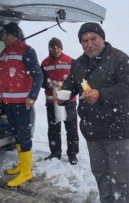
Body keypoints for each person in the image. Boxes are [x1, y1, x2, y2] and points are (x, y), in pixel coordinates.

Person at [58, 22, 129, 203]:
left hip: (118, 130)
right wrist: (62, 94)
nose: (89, 43)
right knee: (101, 175)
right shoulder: (78, 64)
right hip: (92, 130)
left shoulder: (119, 59)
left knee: (121, 180)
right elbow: (71, 86)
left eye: (93, 38)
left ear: (102, 39)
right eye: (84, 40)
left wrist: (100, 94)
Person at [0, 22, 43, 187]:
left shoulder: (27, 51)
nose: (2, 38)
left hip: (22, 102)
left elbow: (38, 76)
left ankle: (27, 172)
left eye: (4, 35)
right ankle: (22, 166)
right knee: (16, 133)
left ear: (12, 35)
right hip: (8, 102)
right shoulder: (3, 52)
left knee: (23, 135)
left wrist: (32, 96)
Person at [41, 37, 79, 165]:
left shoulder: (71, 61)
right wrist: (48, 84)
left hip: (69, 101)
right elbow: (40, 81)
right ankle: (55, 152)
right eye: (53, 47)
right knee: (53, 129)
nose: (56, 49)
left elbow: (76, 81)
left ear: (62, 48)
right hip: (51, 102)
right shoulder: (44, 63)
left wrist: (64, 85)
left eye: (58, 47)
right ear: (49, 48)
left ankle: (72, 154)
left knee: (71, 129)